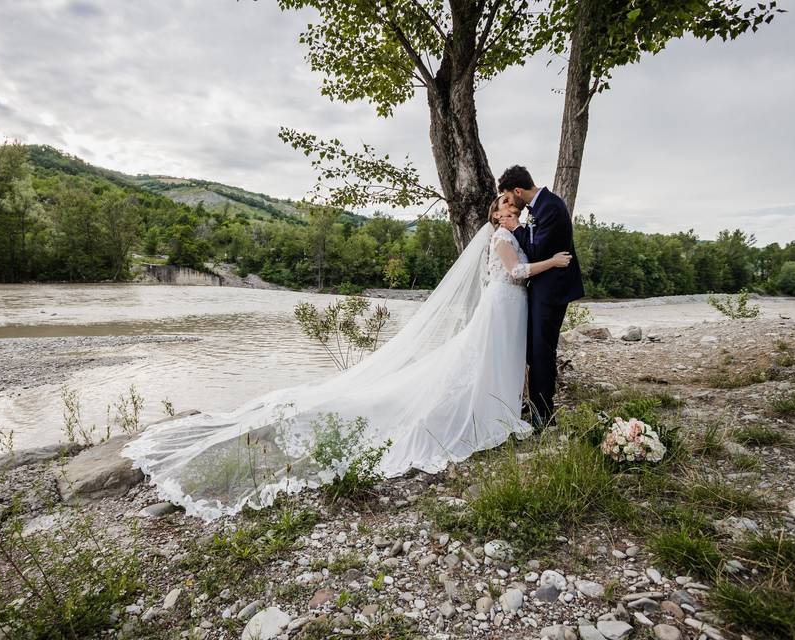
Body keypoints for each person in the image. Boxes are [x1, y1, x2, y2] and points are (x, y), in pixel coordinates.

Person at [123, 198, 571, 521]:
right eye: (505, 211)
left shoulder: (513, 234)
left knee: (495, 361)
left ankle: (500, 405)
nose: (511, 215)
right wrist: (552, 262)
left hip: (511, 308)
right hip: (503, 305)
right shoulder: (501, 239)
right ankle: (487, 411)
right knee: (478, 362)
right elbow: (515, 272)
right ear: (495, 215)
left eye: (515, 211)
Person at [497, 165, 585, 432]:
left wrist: (515, 227)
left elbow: (536, 251)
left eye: (510, 198)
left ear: (518, 190)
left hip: (552, 291)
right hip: (541, 289)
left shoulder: (551, 207)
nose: (511, 204)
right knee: (534, 352)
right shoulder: (540, 207)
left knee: (541, 352)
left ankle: (543, 415)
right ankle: (535, 405)